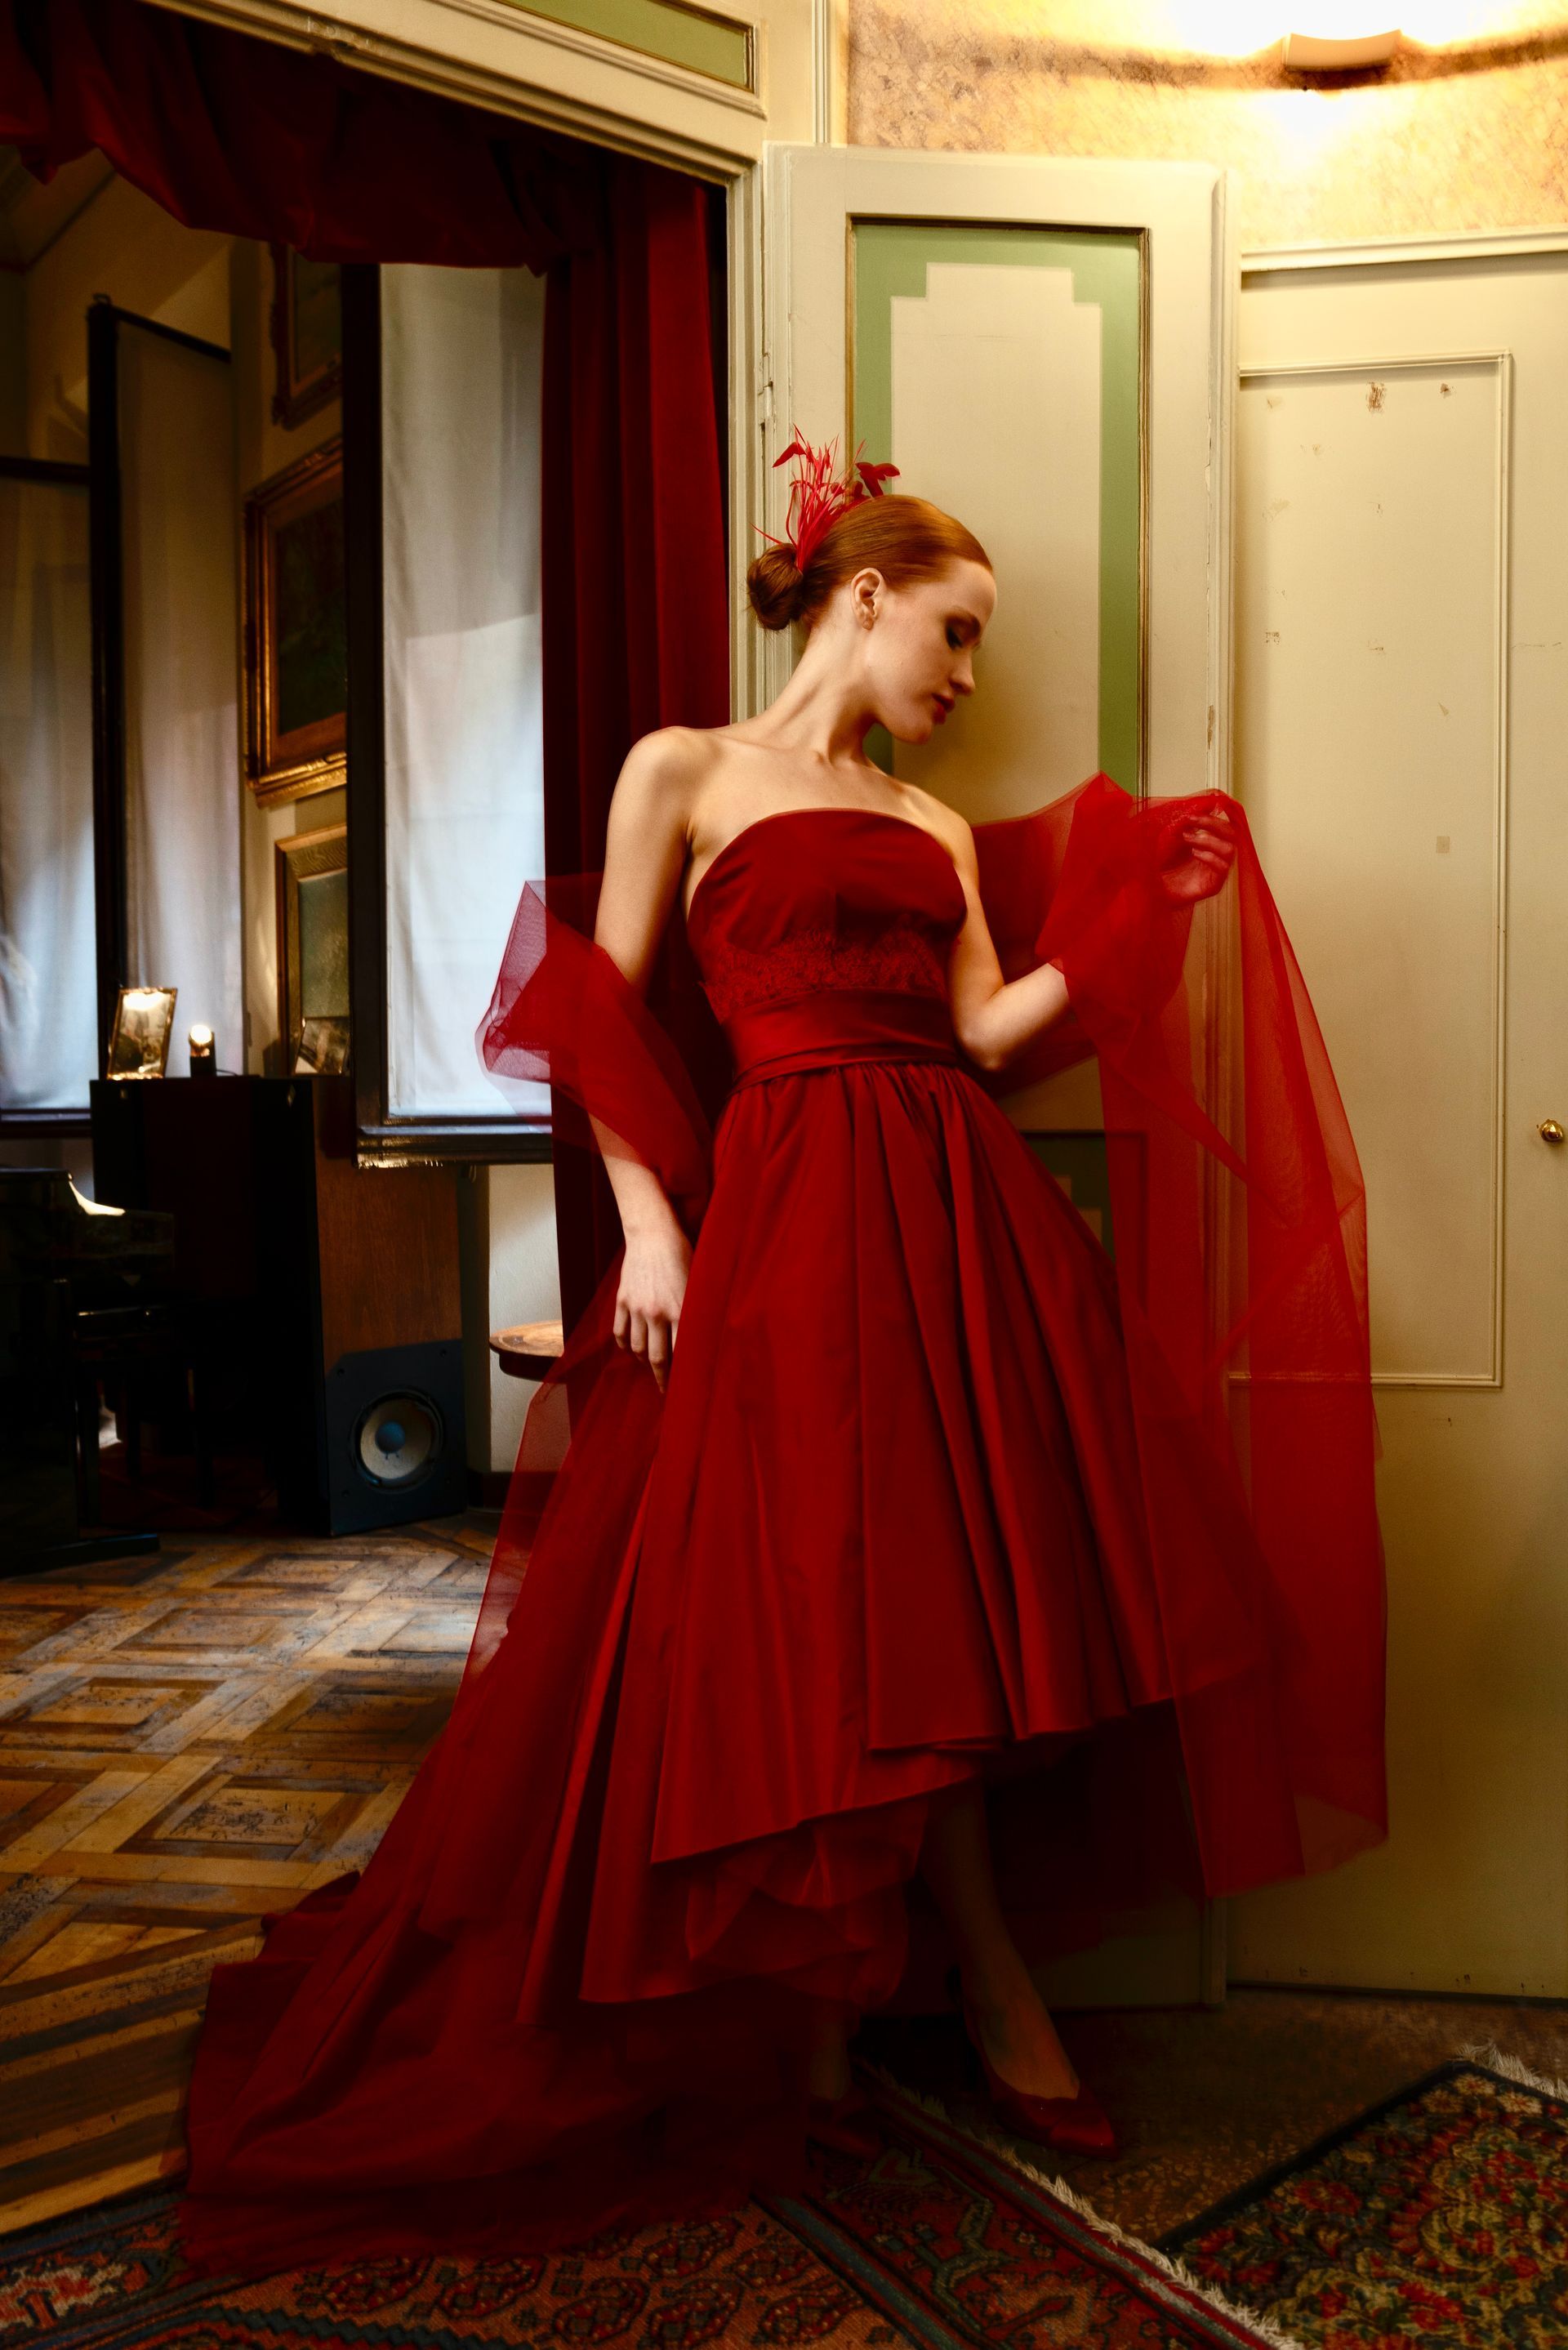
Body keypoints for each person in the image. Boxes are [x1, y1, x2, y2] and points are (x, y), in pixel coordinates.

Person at [176, 442, 1385, 2277]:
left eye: (982, 647)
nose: (967, 673)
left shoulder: (937, 830)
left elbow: (990, 1033)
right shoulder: (683, 766)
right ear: (866, 592)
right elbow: (595, 1008)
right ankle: (929, 1992)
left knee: (941, 1604)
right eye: (956, 630)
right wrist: (652, 1225)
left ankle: (896, 2000)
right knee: (822, 1600)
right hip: (790, 1216)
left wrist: (1142, 908)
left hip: (955, 1224)